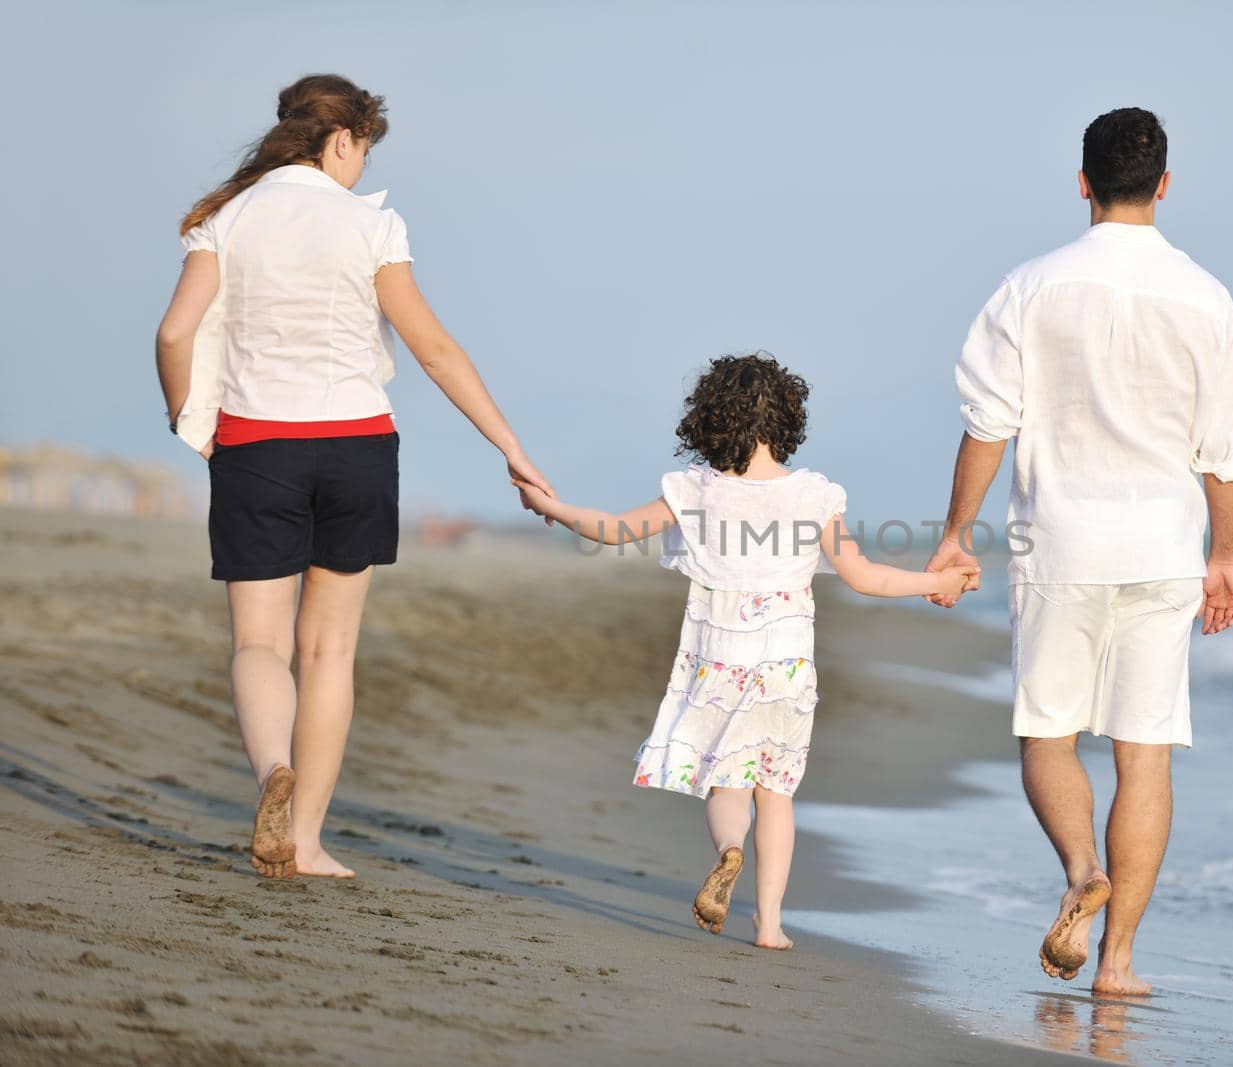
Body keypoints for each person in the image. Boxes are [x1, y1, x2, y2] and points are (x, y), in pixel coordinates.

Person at [154, 74, 554, 880]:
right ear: (342, 140)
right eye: (362, 153)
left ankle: (273, 769)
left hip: (257, 444)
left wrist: (185, 416)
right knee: (329, 650)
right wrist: (509, 445)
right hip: (358, 446)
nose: (360, 172)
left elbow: (174, 331)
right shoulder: (370, 224)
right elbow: (434, 348)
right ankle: (304, 842)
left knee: (260, 642)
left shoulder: (225, 218)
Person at [925, 107, 1233, 994]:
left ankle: (1079, 872)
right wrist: (1225, 555)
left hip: (1061, 543)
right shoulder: (1205, 296)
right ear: (1164, 184)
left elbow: (988, 425)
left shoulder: (1031, 287)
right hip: (1164, 546)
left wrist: (956, 534)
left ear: (1082, 183)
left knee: (1047, 732)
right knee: (1143, 750)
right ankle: (1119, 964)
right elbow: (1223, 451)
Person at [514, 352, 976, 949]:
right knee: (776, 793)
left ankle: (729, 851)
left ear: (708, 421)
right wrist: (934, 583)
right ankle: (772, 924)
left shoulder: (695, 490)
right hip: (786, 668)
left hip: (717, 663)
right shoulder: (813, 495)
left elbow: (612, 529)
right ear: (786, 420)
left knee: (726, 784)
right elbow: (863, 576)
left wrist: (548, 505)